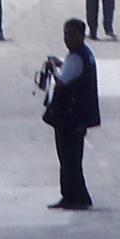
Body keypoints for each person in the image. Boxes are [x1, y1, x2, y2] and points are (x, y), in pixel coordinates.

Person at [40, 18, 100, 210]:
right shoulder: (84, 55)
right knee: (73, 157)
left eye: (71, 34)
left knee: (68, 158)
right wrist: (60, 63)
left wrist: (53, 69)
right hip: (80, 116)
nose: (67, 38)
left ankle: (72, 196)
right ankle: (78, 195)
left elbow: (63, 82)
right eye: (65, 34)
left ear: (81, 35)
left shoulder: (76, 57)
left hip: (70, 116)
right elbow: (70, 70)